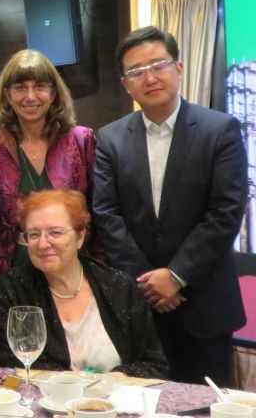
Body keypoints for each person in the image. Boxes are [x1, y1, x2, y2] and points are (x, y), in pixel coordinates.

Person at [93, 26, 247, 386]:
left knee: (206, 402)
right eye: (136, 71)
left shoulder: (219, 129)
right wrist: (149, 282)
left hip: (204, 299)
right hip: (139, 301)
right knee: (141, 399)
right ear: (125, 84)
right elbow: (106, 213)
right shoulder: (110, 138)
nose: (149, 77)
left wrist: (176, 275)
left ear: (178, 68)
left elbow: (225, 212)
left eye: (158, 65)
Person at [0, 189, 167, 378]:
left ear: (80, 237)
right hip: (44, 396)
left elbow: (154, 364)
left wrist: (120, 377)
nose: (43, 244)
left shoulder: (119, 286)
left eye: (55, 233)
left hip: (115, 394)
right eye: (33, 235)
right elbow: (8, 366)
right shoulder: (11, 290)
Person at [0, 49, 96, 313]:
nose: (30, 96)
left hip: (74, 272)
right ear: (7, 95)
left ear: (54, 93)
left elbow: (99, 215)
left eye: (40, 86)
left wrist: (99, 278)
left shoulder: (82, 141)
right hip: (12, 273)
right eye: (20, 87)